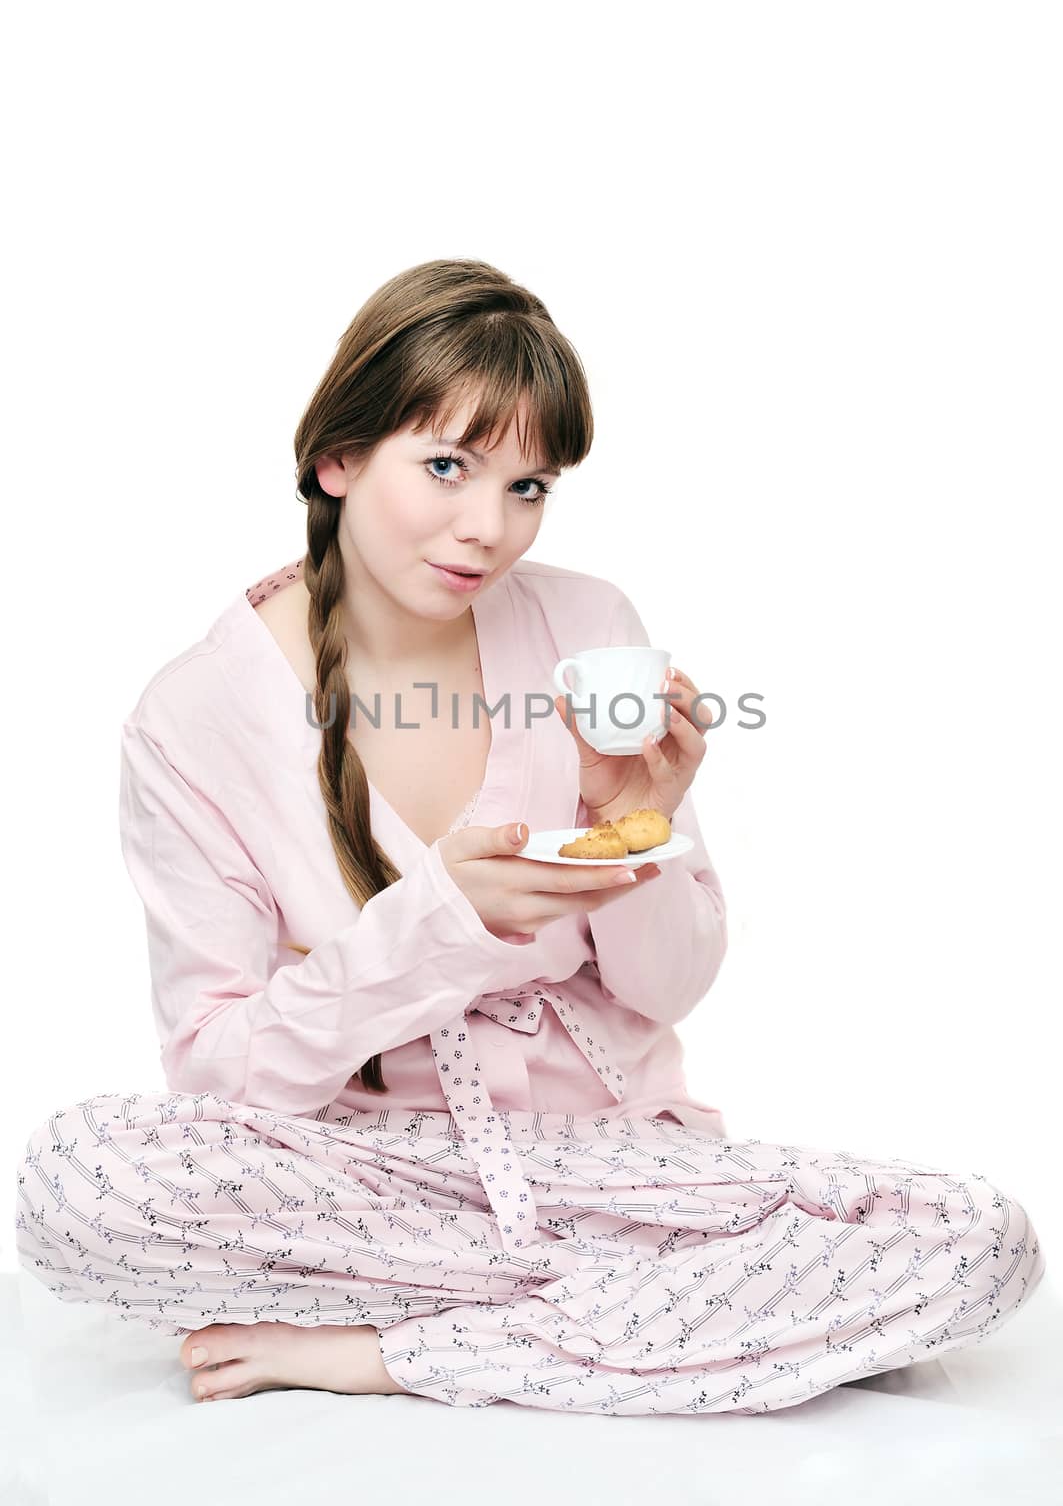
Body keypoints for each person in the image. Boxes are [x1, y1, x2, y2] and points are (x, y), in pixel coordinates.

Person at [15, 259, 1045, 1415]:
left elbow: (665, 989)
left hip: (607, 1164)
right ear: (338, 457)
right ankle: (671, 1316)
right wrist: (438, 925)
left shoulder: (588, 626)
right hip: (378, 1177)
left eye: (527, 485)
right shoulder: (193, 714)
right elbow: (217, 1077)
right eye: (446, 465)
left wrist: (632, 818)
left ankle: (396, 1350)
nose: (486, 528)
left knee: (974, 1241)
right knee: (78, 1175)